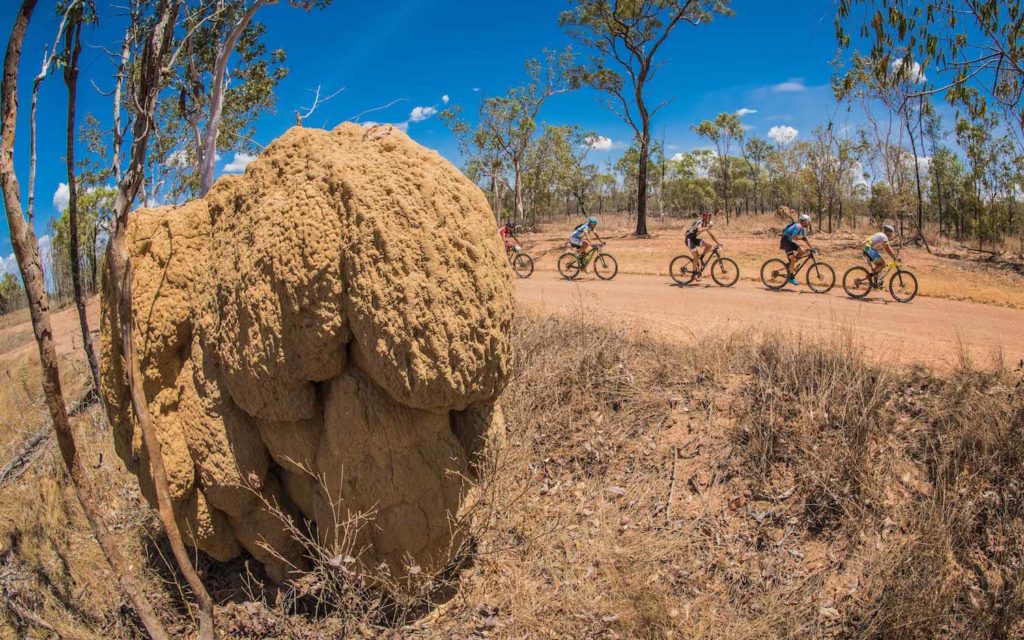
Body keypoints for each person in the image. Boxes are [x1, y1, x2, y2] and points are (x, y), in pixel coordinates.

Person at [685, 210, 721, 280]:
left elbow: (711, 235)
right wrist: (707, 228)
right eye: (708, 217)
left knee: (709, 246)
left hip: (694, 239)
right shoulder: (700, 222)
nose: (709, 219)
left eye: (709, 218)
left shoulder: (704, 224)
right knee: (696, 257)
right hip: (689, 239)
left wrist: (718, 243)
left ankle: (701, 259)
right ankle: (694, 274)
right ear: (705, 217)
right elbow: (699, 230)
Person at [780, 213, 813, 286]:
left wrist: (812, 248)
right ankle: (790, 278)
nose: (808, 224)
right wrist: (801, 238)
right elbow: (794, 237)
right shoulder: (798, 226)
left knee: (802, 251)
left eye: (808, 222)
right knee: (793, 260)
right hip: (785, 241)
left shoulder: (803, 228)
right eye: (807, 222)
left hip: (789, 241)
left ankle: (790, 265)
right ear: (803, 221)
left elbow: (805, 239)